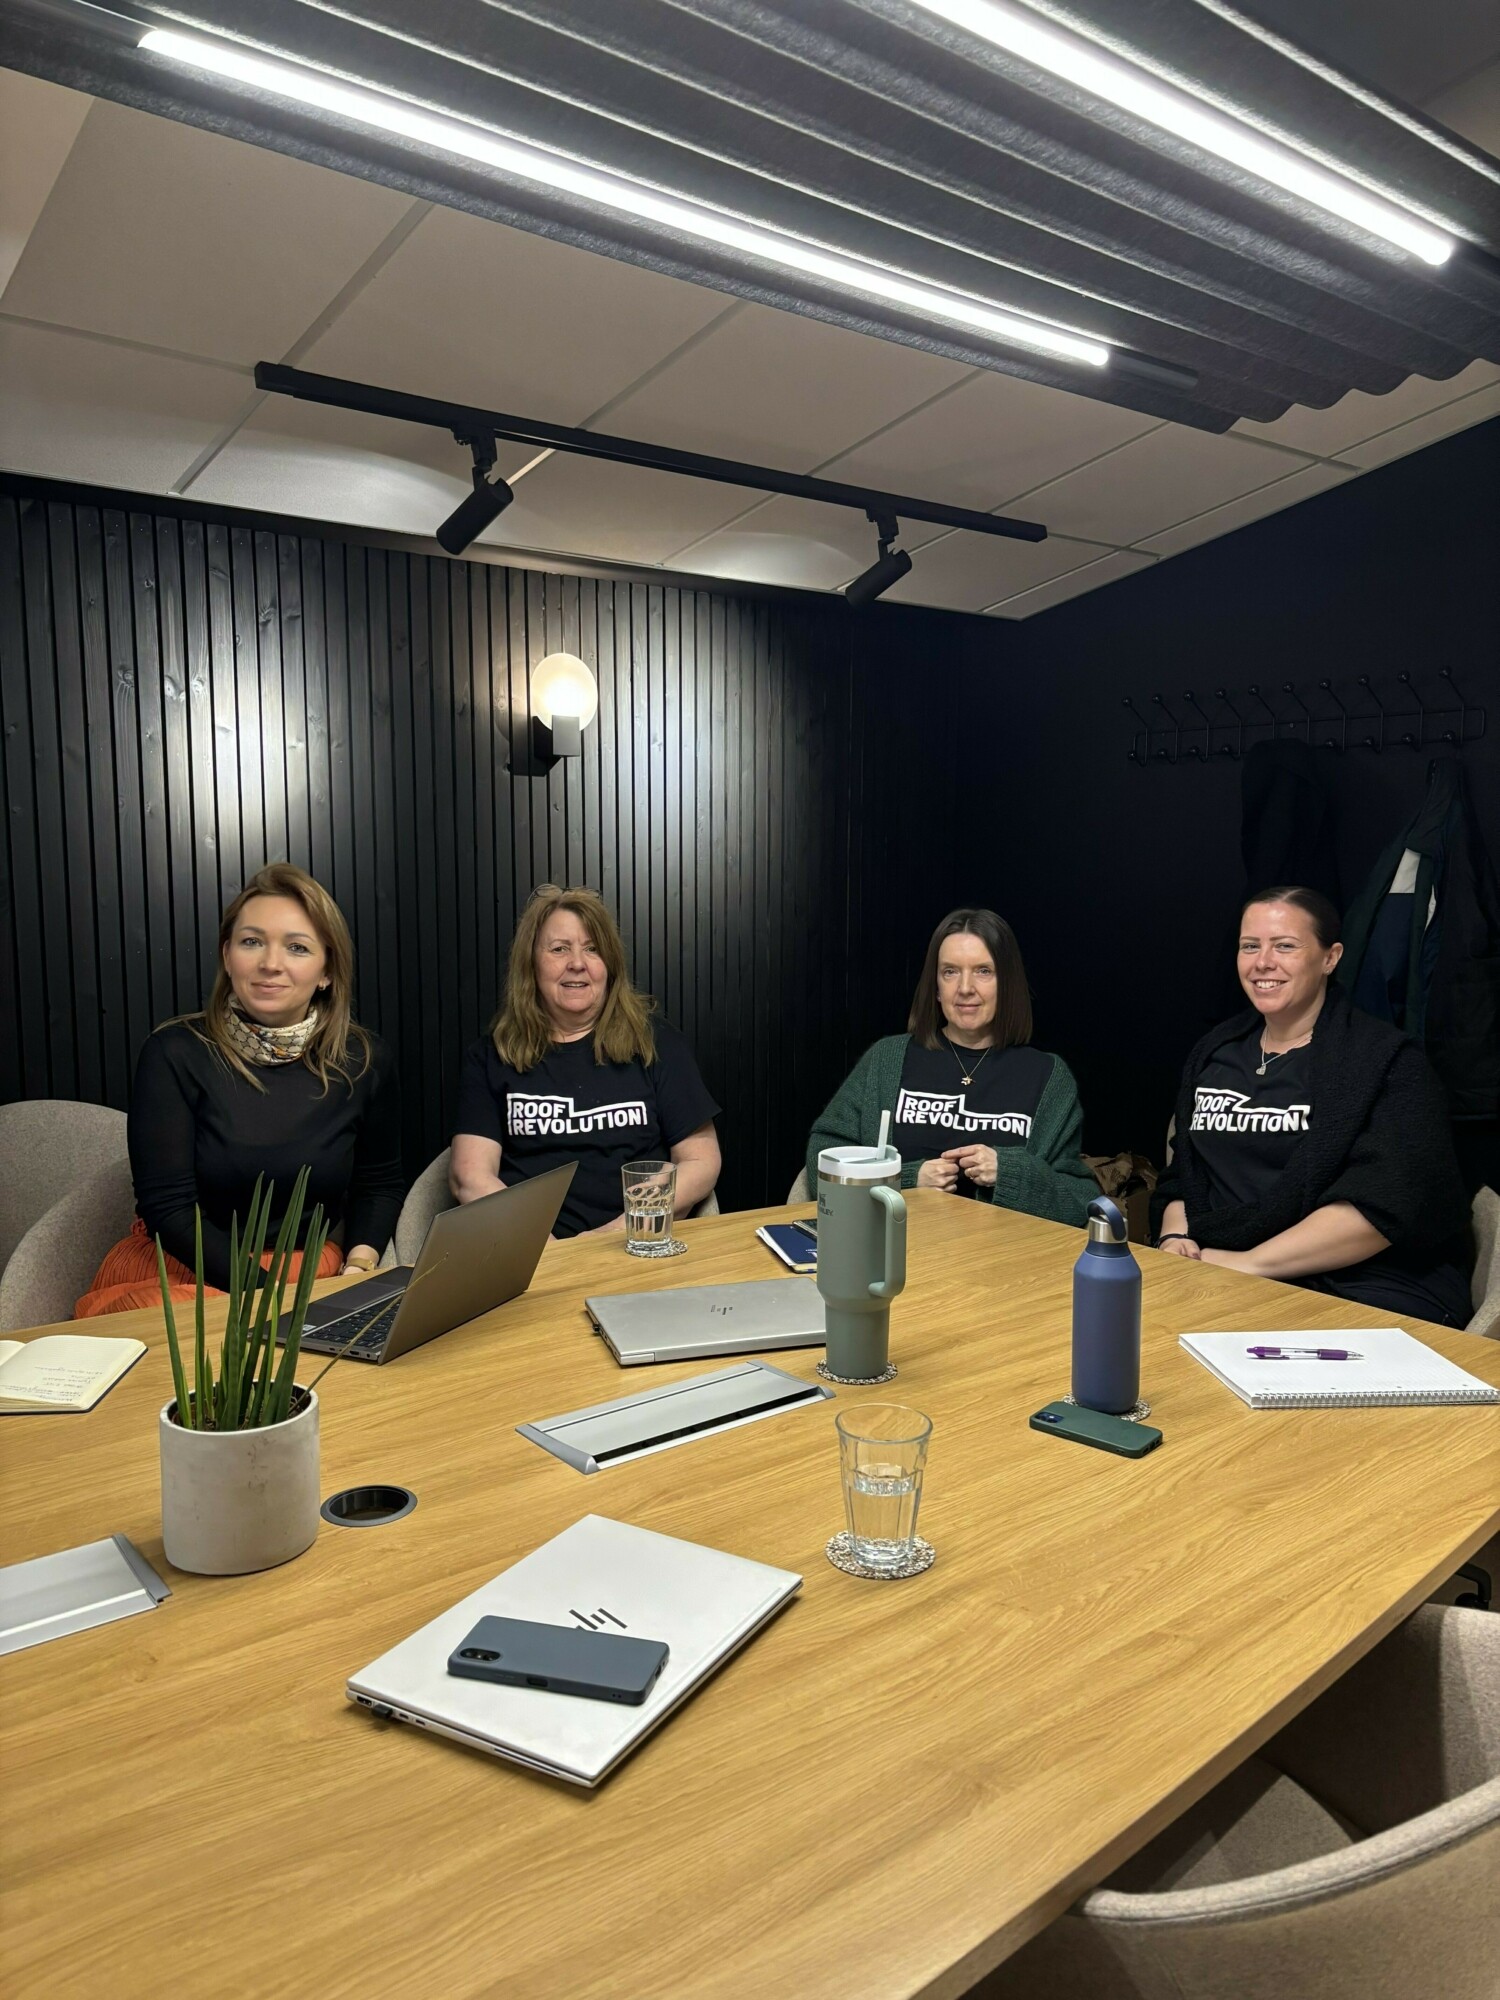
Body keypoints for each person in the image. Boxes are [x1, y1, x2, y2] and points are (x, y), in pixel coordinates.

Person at [77, 864, 403, 1317]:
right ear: (228, 957)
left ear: (327, 970)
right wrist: (273, 1303)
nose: (271, 962)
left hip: (306, 1271)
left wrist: (359, 1269)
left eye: (297, 947)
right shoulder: (174, 1052)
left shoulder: (364, 1059)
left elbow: (379, 1183)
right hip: (180, 1270)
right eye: (252, 942)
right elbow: (169, 1209)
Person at [1153, 885, 1472, 1324]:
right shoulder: (1214, 1052)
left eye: (1285, 945)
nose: (1263, 962)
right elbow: (1184, 1179)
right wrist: (1174, 1240)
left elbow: (1386, 1204)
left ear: (1330, 958)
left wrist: (1251, 1265)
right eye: (1250, 946)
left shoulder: (1387, 1061)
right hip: (1219, 1268)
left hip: (1363, 1283)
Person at [451, 885, 720, 1237]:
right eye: (559, 949)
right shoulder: (492, 1055)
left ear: (608, 965)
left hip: (636, 1243)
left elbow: (701, 1162)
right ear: (531, 964)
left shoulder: (656, 1043)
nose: (577, 963)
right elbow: (468, 1176)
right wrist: (532, 1240)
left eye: (592, 949)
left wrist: (620, 1230)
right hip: (529, 1254)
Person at [806, 908, 1095, 1224]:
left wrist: (1010, 1173)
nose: (965, 988)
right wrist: (906, 1180)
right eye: (950, 971)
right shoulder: (887, 1059)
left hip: (1005, 1260)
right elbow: (825, 1155)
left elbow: (1081, 1201)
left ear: (1007, 982)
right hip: (896, 1250)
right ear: (936, 987)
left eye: (984, 971)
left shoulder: (1048, 1076)